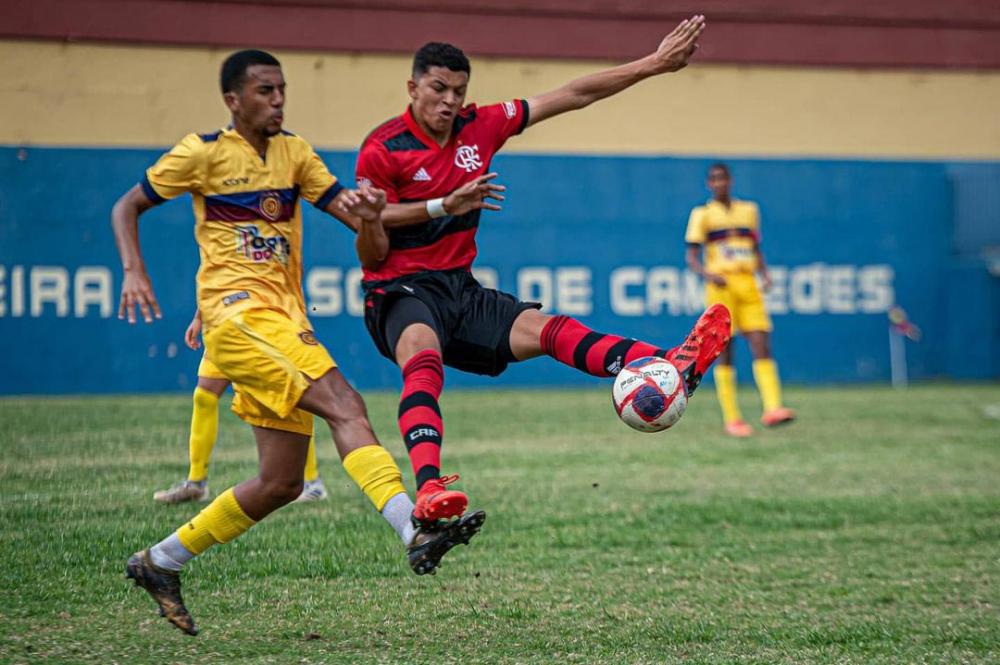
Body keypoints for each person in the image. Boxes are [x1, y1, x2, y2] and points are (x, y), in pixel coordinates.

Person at [114, 49, 484, 636]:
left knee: (282, 482)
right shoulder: (201, 153)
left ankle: (159, 561)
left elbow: (359, 217)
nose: (278, 99)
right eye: (265, 91)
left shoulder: (295, 154)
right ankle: (413, 530)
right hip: (239, 320)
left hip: (282, 320)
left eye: (282, 89)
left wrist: (382, 214)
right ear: (234, 100)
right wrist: (135, 270)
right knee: (347, 405)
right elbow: (127, 205)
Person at [354, 16, 730, 525]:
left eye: (458, 92)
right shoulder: (383, 149)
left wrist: (655, 64)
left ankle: (668, 366)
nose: (449, 101)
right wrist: (444, 204)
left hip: (458, 288)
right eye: (438, 89)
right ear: (412, 86)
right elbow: (371, 252)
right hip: (397, 290)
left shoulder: (480, 125)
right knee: (422, 356)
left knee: (550, 330)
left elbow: (573, 93)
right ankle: (428, 490)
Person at [153, 310, 328, 505]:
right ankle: (196, 483)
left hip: (265, 321)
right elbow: (216, 279)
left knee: (289, 397)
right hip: (226, 324)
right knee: (204, 395)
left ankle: (312, 482)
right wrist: (199, 317)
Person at [685, 163, 796, 437]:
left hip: (748, 283)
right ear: (709, 184)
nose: (719, 183)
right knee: (725, 350)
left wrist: (765, 274)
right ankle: (732, 418)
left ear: (730, 181)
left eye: (723, 178)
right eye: (714, 179)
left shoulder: (749, 210)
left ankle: (773, 407)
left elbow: (755, 248)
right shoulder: (702, 215)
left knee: (761, 342)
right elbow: (691, 257)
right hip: (721, 285)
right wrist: (708, 274)